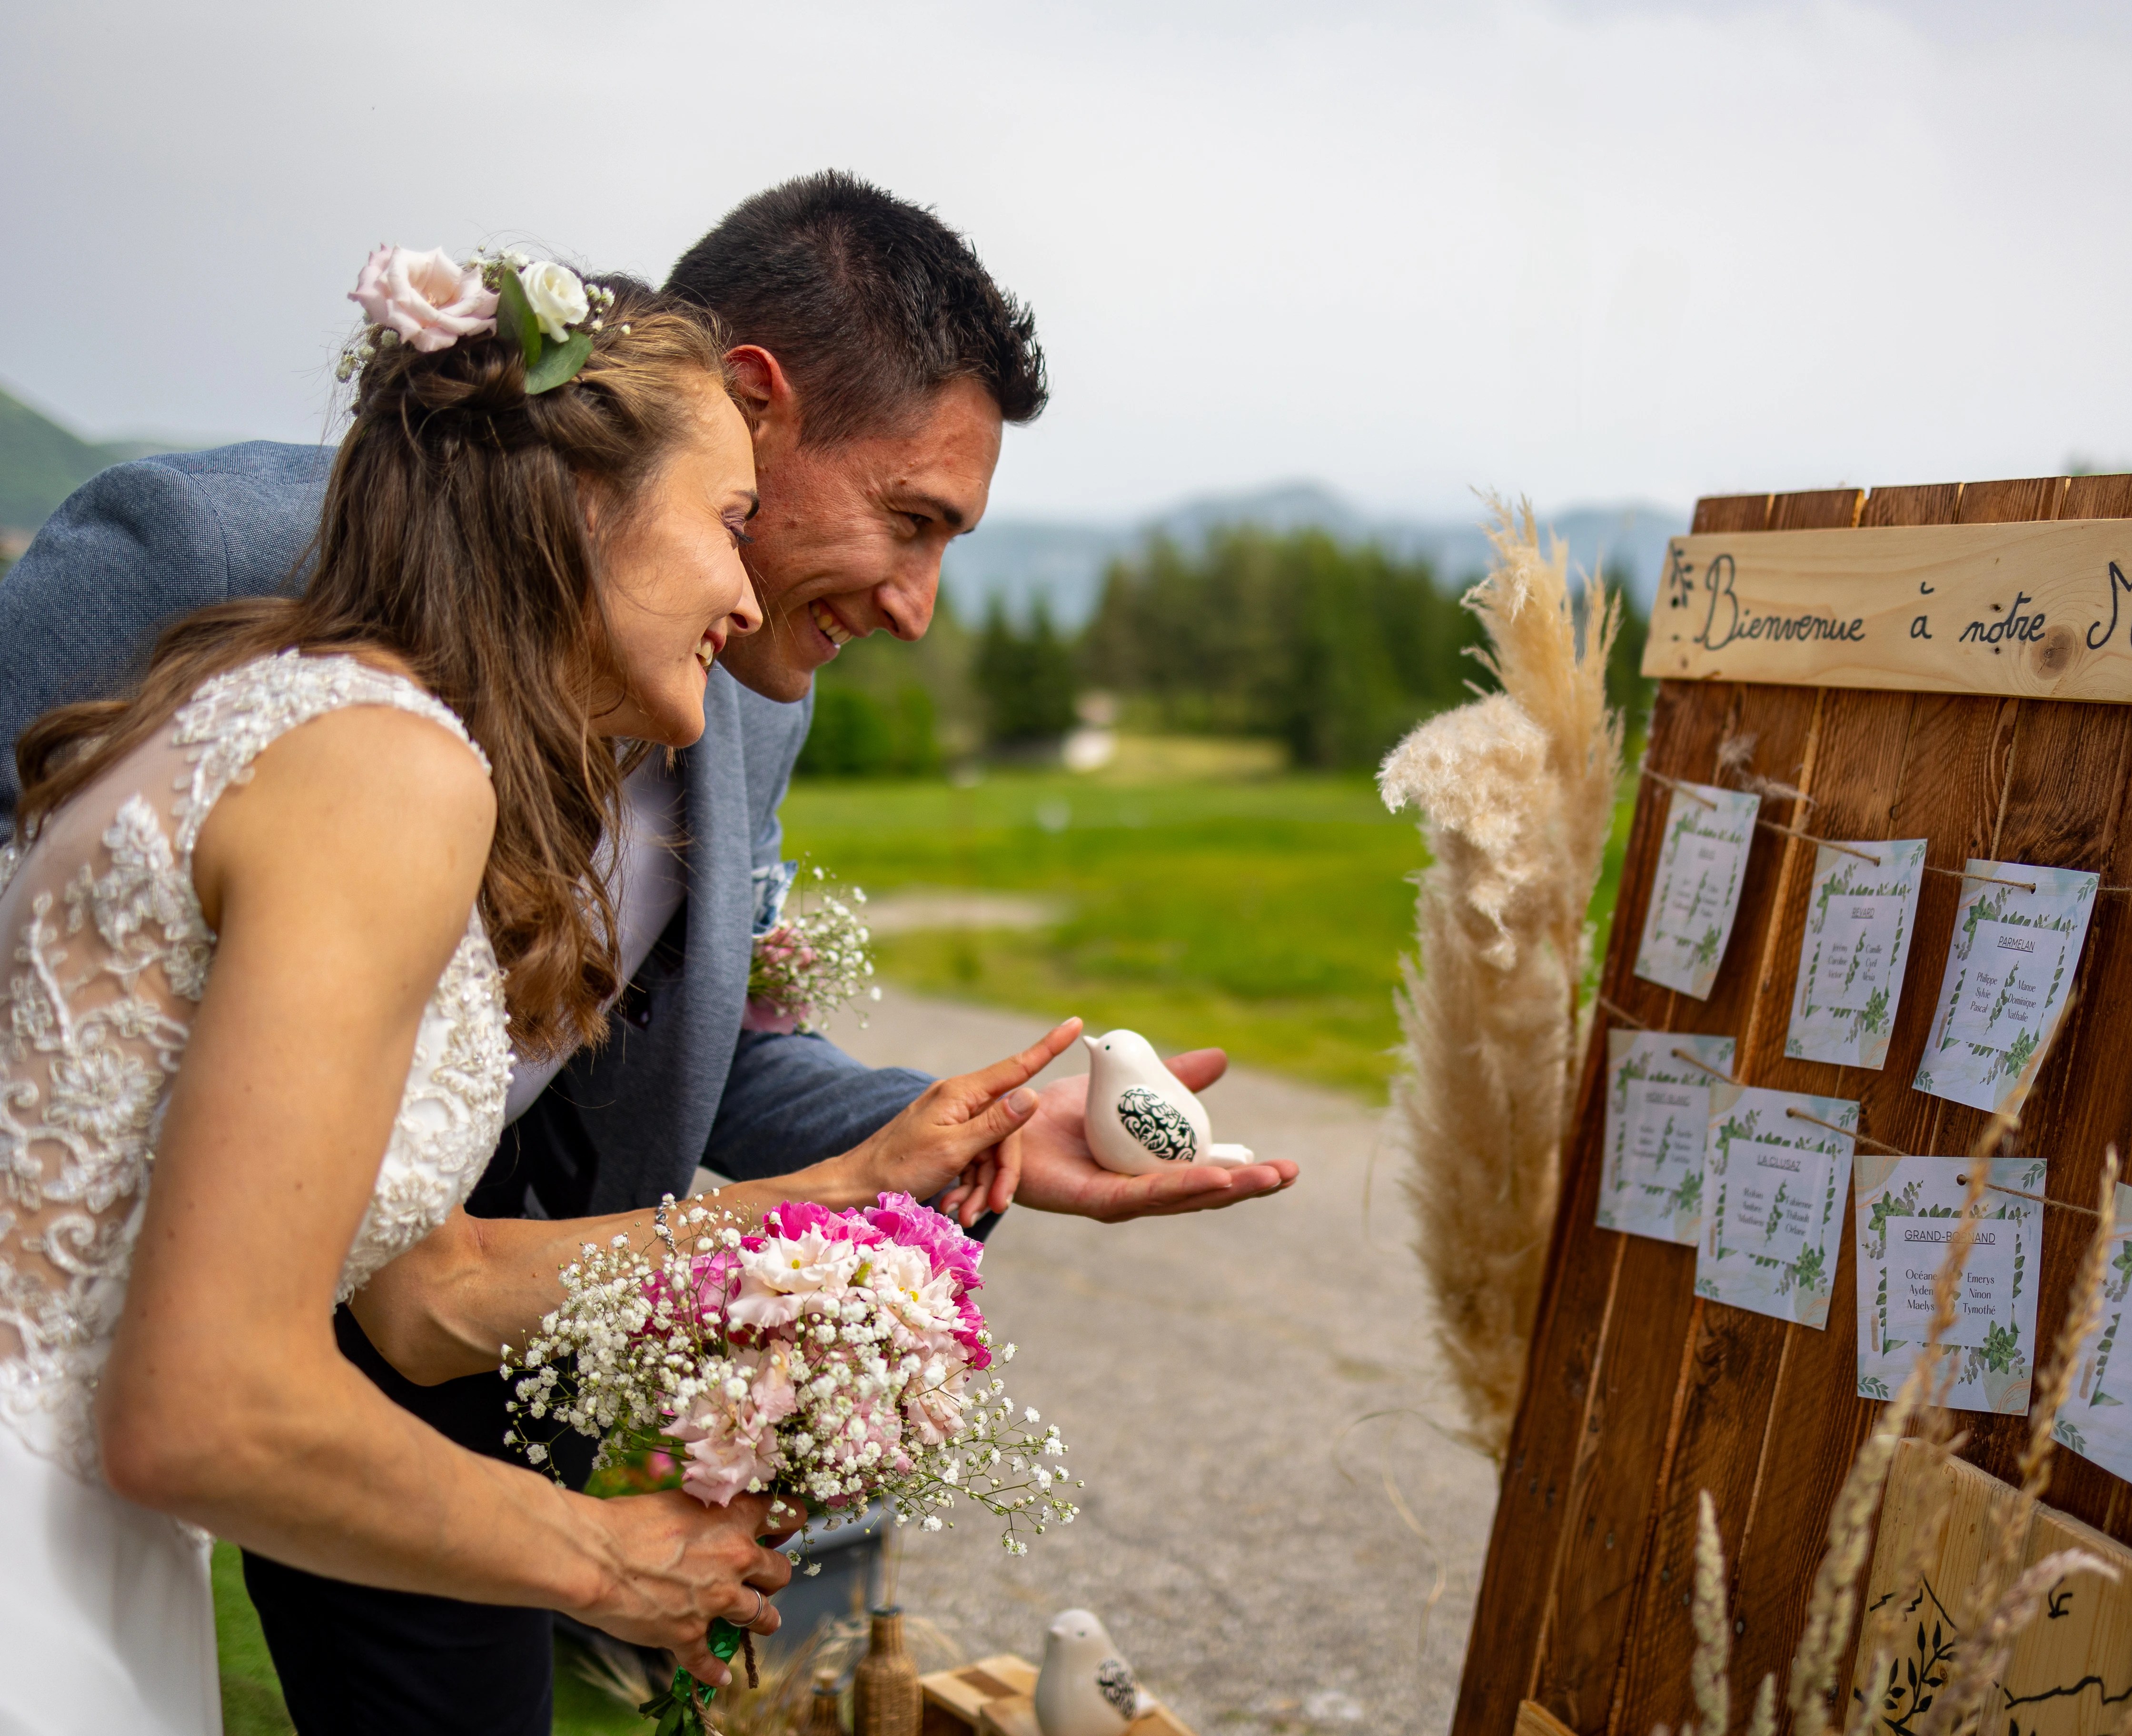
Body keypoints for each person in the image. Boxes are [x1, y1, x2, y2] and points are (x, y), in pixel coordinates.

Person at [0, 175, 1299, 1734]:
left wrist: (889, 1160)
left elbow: (487, 1227)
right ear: (736, 420)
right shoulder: (298, 660)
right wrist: (608, 1567)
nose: (909, 606)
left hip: (361, 1339)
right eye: (905, 521)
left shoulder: (718, 694)